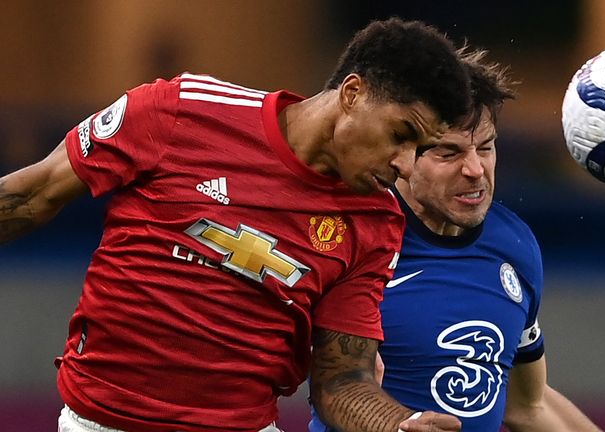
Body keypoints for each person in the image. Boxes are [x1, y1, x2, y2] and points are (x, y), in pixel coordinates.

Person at [0, 18, 471, 432]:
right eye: (401, 135)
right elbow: (30, 197)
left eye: (420, 149)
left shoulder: (376, 220)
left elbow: (341, 380)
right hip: (103, 422)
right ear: (352, 94)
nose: (406, 165)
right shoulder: (179, 110)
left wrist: (396, 425)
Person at [310, 48, 602, 431]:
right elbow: (330, 383)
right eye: (449, 153)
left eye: (486, 147)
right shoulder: (352, 237)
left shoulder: (515, 245)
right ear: (400, 152)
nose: (475, 170)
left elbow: (526, 404)